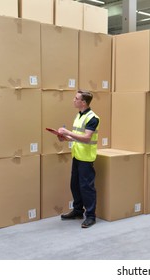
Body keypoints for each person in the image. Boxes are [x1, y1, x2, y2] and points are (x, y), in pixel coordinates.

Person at [58, 90, 100, 229]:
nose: (73, 100)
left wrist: (68, 132)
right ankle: (77, 211)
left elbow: (87, 137)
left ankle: (91, 216)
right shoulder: (79, 116)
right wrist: (65, 138)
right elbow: (77, 136)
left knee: (86, 187)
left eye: (76, 98)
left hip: (86, 158)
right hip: (77, 155)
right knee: (75, 185)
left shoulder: (93, 118)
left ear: (83, 102)